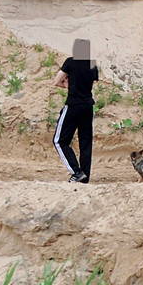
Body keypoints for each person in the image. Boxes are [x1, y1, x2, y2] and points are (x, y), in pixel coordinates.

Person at [52, 38, 98, 183]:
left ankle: (76, 172)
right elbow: (91, 82)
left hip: (73, 105)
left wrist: (67, 85)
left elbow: (56, 81)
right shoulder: (92, 64)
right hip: (88, 107)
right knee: (85, 142)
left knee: (59, 141)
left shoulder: (70, 61)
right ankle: (84, 177)